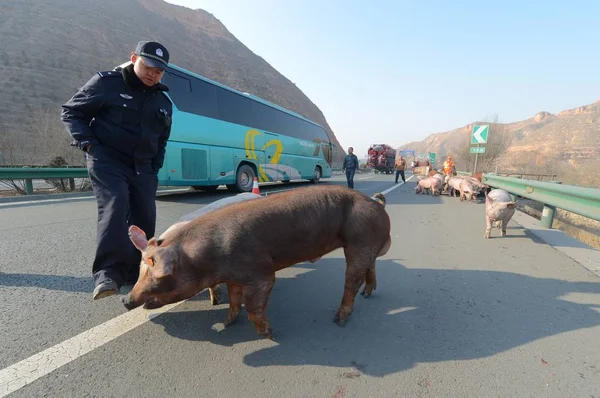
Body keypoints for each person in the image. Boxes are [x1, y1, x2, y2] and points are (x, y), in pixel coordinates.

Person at [61, 41, 173, 300]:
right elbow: (71, 113)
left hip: (144, 168)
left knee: (145, 219)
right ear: (133, 58)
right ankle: (108, 274)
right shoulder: (106, 84)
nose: (152, 74)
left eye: (159, 71)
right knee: (116, 204)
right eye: (148, 66)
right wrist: (90, 145)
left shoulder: (163, 102)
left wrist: (155, 166)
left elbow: (162, 140)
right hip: (108, 161)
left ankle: (137, 272)